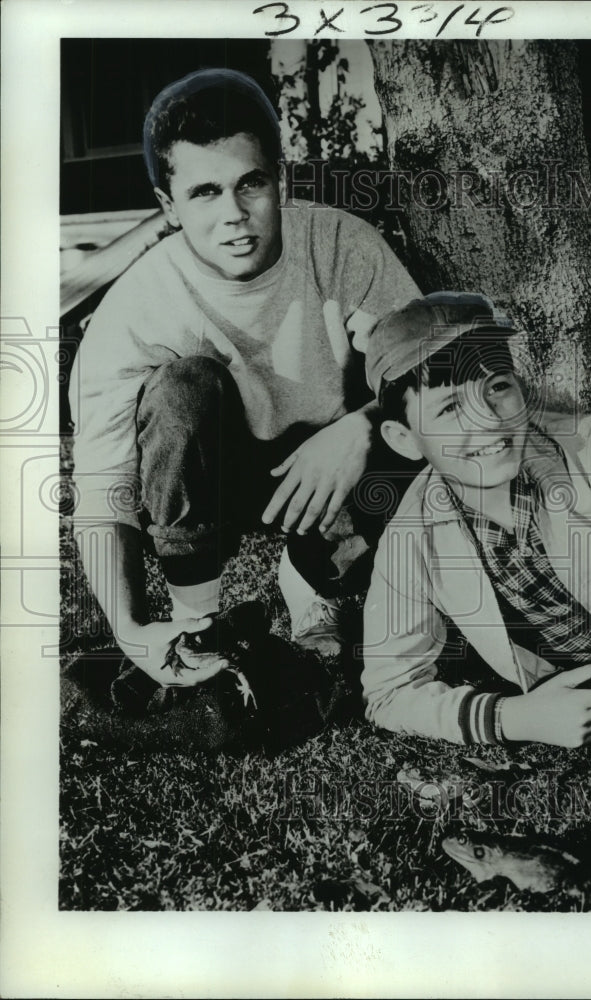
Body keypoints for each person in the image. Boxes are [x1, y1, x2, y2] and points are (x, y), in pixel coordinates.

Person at [68, 68, 420, 688]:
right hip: (225, 476)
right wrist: (129, 629)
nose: (234, 214)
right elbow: (102, 490)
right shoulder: (135, 307)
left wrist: (363, 428)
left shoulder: (340, 244)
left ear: (278, 179)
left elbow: (434, 375)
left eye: (250, 183)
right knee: (183, 389)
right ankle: (198, 625)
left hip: (335, 468)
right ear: (167, 206)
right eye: (205, 193)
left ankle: (317, 580)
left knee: (413, 422)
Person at [360, 293, 591, 800]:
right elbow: (389, 691)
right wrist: (512, 716)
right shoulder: (411, 538)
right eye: (449, 408)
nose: (488, 420)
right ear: (404, 439)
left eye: (498, 388)